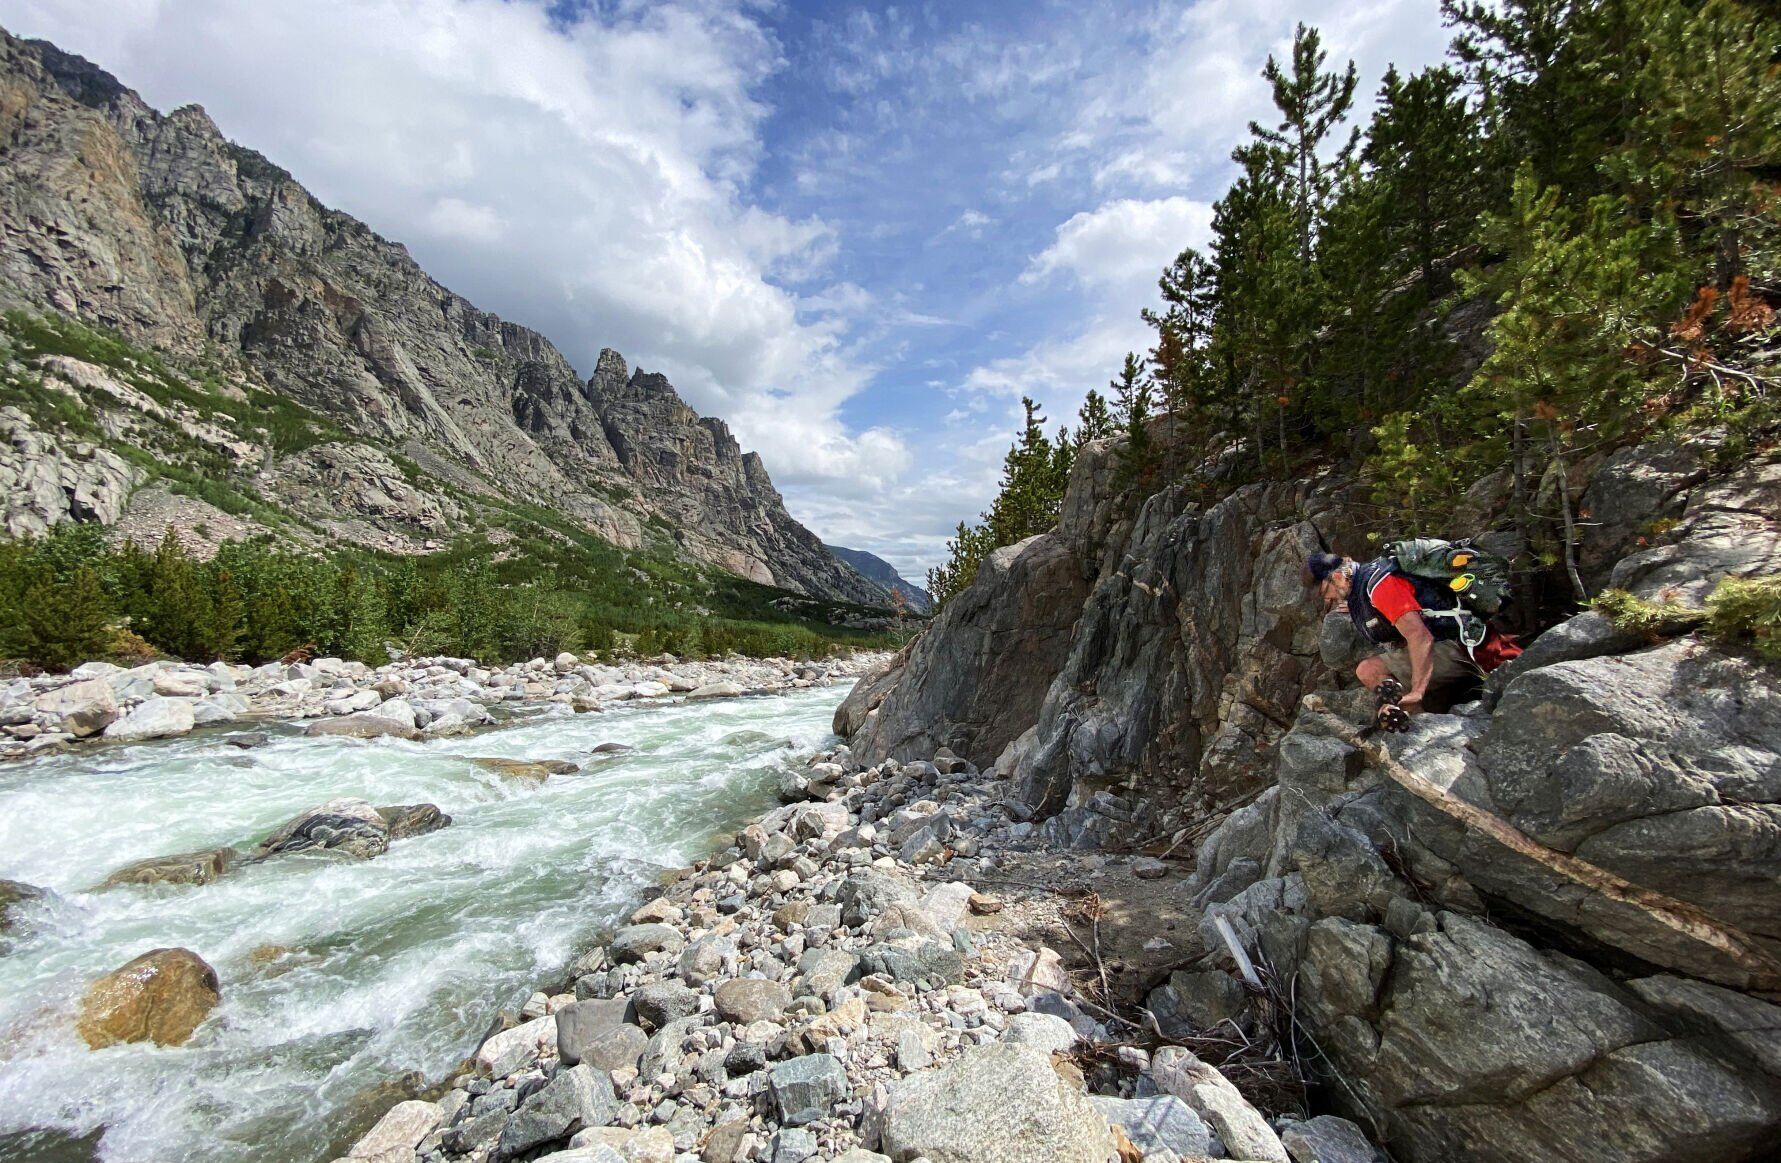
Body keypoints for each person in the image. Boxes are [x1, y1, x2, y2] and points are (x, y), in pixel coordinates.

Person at [1307, 549, 1519, 729]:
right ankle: (1413, 717)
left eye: (1325, 592)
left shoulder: (1381, 587)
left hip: (1462, 646)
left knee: (1369, 670)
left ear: (1336, 577)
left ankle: (1420, 730)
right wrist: (1354, 604)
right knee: (1383, 679)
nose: (1327, 599)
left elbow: (1419, 636)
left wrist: (1417, 691)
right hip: (1448, 643)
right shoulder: (1363, 588)